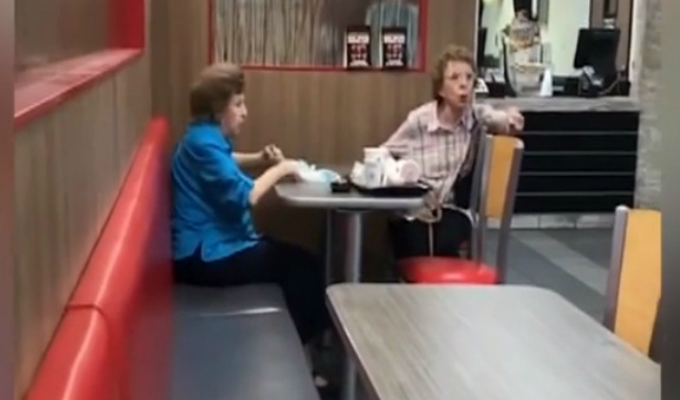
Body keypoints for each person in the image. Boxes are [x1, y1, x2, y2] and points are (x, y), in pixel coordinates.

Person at [170, 62, 332, 387]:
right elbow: (249, 196)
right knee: (303, 269)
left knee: (302, 263)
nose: (245, 112)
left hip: (216, 247)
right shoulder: (202, 144)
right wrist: (284, 168)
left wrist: (259, 158)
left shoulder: (201, 137)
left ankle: (305, 354)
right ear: (219, 109)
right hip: (203, 257)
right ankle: (298, 359)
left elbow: (225, 160)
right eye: (238, 104)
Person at [381, 44, 524, 261]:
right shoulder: (419, 121)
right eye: (455, 78)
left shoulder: (475, 117)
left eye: (469, 77)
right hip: (415, 210)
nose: (463, 84)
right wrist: (400, 176)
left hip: (449, 209)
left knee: (448, 236)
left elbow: (503, 120)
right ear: (440, 88)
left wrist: (512, 116)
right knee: (413, 238)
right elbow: (383, 154)